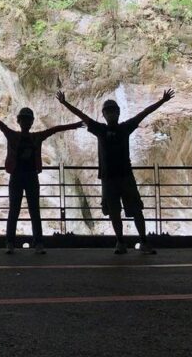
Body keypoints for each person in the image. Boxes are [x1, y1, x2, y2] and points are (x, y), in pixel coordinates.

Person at [56, 89, 175, 255]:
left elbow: (144, 113)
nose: (111, 114)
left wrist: (162, 101)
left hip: (123, 176)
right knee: (114, 212)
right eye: (108, 111)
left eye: (113, 111)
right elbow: (82, 115)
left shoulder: (122, 128)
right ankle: (121, 242)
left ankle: (142, 241)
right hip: (110, 178)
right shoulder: (103, 129)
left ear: (117, 113)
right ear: (104, 115)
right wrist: (64, 103)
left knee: (134, 210)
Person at [0, 103, 83, 254]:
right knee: (19, 211)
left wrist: (74, 125)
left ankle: (30, 243)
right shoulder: (20, 136)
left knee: (30, 211)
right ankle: (18, 243)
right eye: (24, 120)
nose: (26, 122)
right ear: (19, 121)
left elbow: (55, 129)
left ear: (30, 122)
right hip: (21, 177)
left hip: (27, 177)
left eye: (28, 120)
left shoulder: (28, 136)